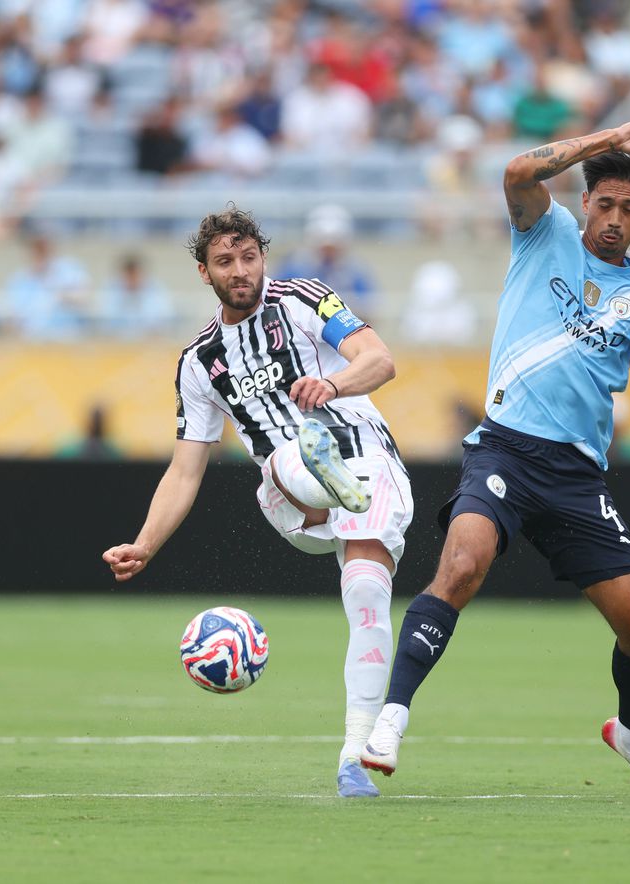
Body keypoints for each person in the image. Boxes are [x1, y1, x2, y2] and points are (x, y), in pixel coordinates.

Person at [361, 121, 630, 798]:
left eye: (629, 209)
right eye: (604, 203)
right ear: (584, 202)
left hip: (577, 475)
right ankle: (391, 720)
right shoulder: (541, 231)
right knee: (461, 566)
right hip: (505, 449)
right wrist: (610, 138)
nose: (614, 219)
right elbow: (519, 170)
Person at [102, 206, 413, 800]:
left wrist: (333, 385)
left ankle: (355, 755)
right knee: (284, 452)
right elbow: (185, 470)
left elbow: (380, 359)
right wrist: (145, 544)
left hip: (366, 458)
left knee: (369, 598)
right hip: (287, 492)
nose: (240, 270)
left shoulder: (303, 298)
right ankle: (318, 475)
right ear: (204, 273)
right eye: (225, 262)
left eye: (249, 257)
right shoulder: (198, 363)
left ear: (262, 258)